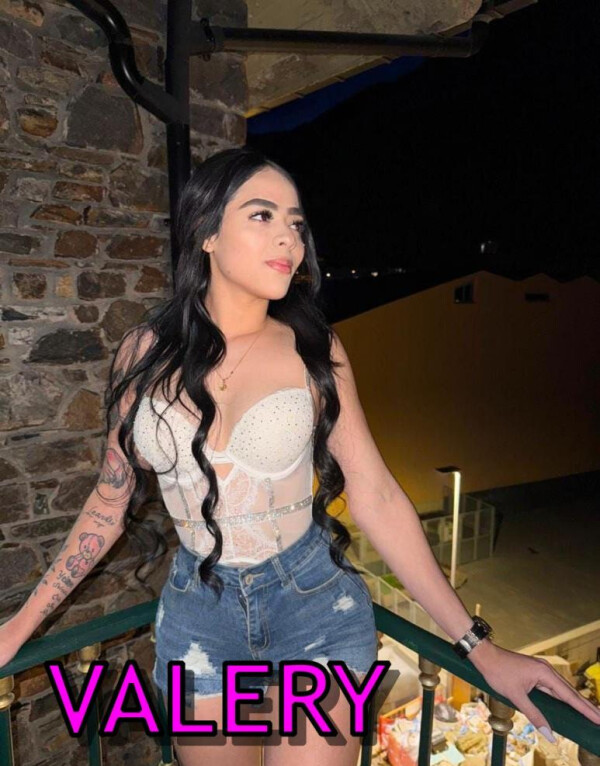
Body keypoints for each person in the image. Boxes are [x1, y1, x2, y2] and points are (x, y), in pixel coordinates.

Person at [0, 147, 598, 766]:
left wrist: (479, 646)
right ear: (206, 232)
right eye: (262, 215)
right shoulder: (142, 354)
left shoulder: (316, 350)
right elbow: (109, 500)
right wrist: (18, 628)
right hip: (199, 618)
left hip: (313, 605)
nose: (289, 236)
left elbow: (376, 496)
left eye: (296, 222)